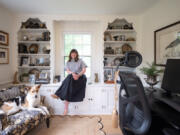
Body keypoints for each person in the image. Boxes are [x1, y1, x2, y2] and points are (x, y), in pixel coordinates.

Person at [51, 49, 87, 115]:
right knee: (68, 85)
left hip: (80, 77)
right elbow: (68, 71)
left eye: (75, 53)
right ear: (70, 54)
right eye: (72, 53)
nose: (73, 55)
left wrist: (78, 75)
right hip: (72, 77)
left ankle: (57, 94)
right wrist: (73, 74)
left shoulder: (80, 61)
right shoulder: (68, 62)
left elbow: (84, 70)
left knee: (68, 78)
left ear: (76, 54)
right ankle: (66, 109)